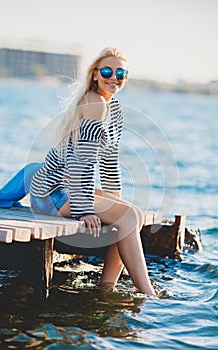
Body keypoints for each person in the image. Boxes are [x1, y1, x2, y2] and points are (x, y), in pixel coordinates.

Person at [29, 47, 156, 297]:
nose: (114, 77)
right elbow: (80, 162)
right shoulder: (94, 103)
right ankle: (148, 294)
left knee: (135, 215)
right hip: (52, 193)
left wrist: (115, 201)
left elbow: (109, 161)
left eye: (121, 73)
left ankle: (106, 289)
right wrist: (84, 209)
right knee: (129, 217)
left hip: (70, 187)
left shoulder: (114, 109)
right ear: (95, 75)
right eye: (107, 71)